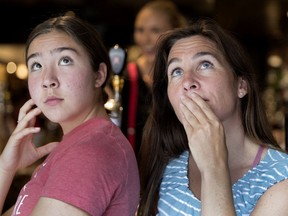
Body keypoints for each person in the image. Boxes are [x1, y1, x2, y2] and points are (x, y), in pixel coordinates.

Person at [137, 17, 288, 216]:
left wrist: (213, 168)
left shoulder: (280, 180)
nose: (188, 81)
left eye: (205, 64)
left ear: (241, 85)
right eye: (176, 71)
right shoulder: (167, 164)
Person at [0, 13, 140, 216]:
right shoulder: (76, 144)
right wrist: (7, 166)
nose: (48, 79)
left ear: (99, 75)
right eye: (37, 65)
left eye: (65, 60)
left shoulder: (89, 153)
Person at [120, 0, 188, 153]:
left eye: (155, 30)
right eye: (140, 30)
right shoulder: (125, 76)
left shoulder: (185, 78)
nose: (145, 39)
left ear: (175, 31)